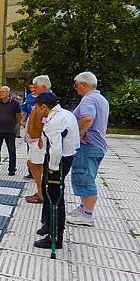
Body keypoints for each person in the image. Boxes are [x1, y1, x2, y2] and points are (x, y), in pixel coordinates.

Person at [32, 92, 80, 249]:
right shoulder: (65, 113)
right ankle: (48, 224)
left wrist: (52, 167)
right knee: (48, 192)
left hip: (59, 160)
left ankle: (55, 237)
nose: (36, 110)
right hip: (66, 156)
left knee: (55, 198)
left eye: (37, 107)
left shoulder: (55, 121)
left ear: (44, 106)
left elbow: (56, 149)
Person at [67, 71, 109, 227]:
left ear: (84, 85)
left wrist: (79, 133)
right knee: (87, 175)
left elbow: (88, 118)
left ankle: (87, 214)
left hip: (88, 146)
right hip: (98, 145)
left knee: (84, 177)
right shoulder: (100, 98)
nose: (75, 88)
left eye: (76, 84)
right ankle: (84, 208)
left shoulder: (88, 99)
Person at [23, 75, 51, 200]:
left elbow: (46, 120)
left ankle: (42, 193)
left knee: (37, 164)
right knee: (32, 164)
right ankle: (40, 191)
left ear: (44, 87)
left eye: (36, 87)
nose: (33, 89)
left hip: (40, 140)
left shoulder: (48, 100)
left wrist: (40, 137)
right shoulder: (39, 99)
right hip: (34, 139)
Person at [0, 86, 22, 176]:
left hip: (10, 130)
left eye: (3, 91)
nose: (1, 93)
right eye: (0, 91)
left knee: (11, 150)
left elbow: (18, 116)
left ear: (8, 93)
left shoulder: (15, 103)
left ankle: (12, 169)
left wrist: (13, 124)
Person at [20, 81, 37, 179]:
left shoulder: (43, 97)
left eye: (34, 87)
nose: (32, 90)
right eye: (31, 88)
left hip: (40, 127)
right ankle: (31, 172)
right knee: (29, 149)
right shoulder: (29, 97)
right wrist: (22, 120)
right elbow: (25, 111)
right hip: (29, 127)